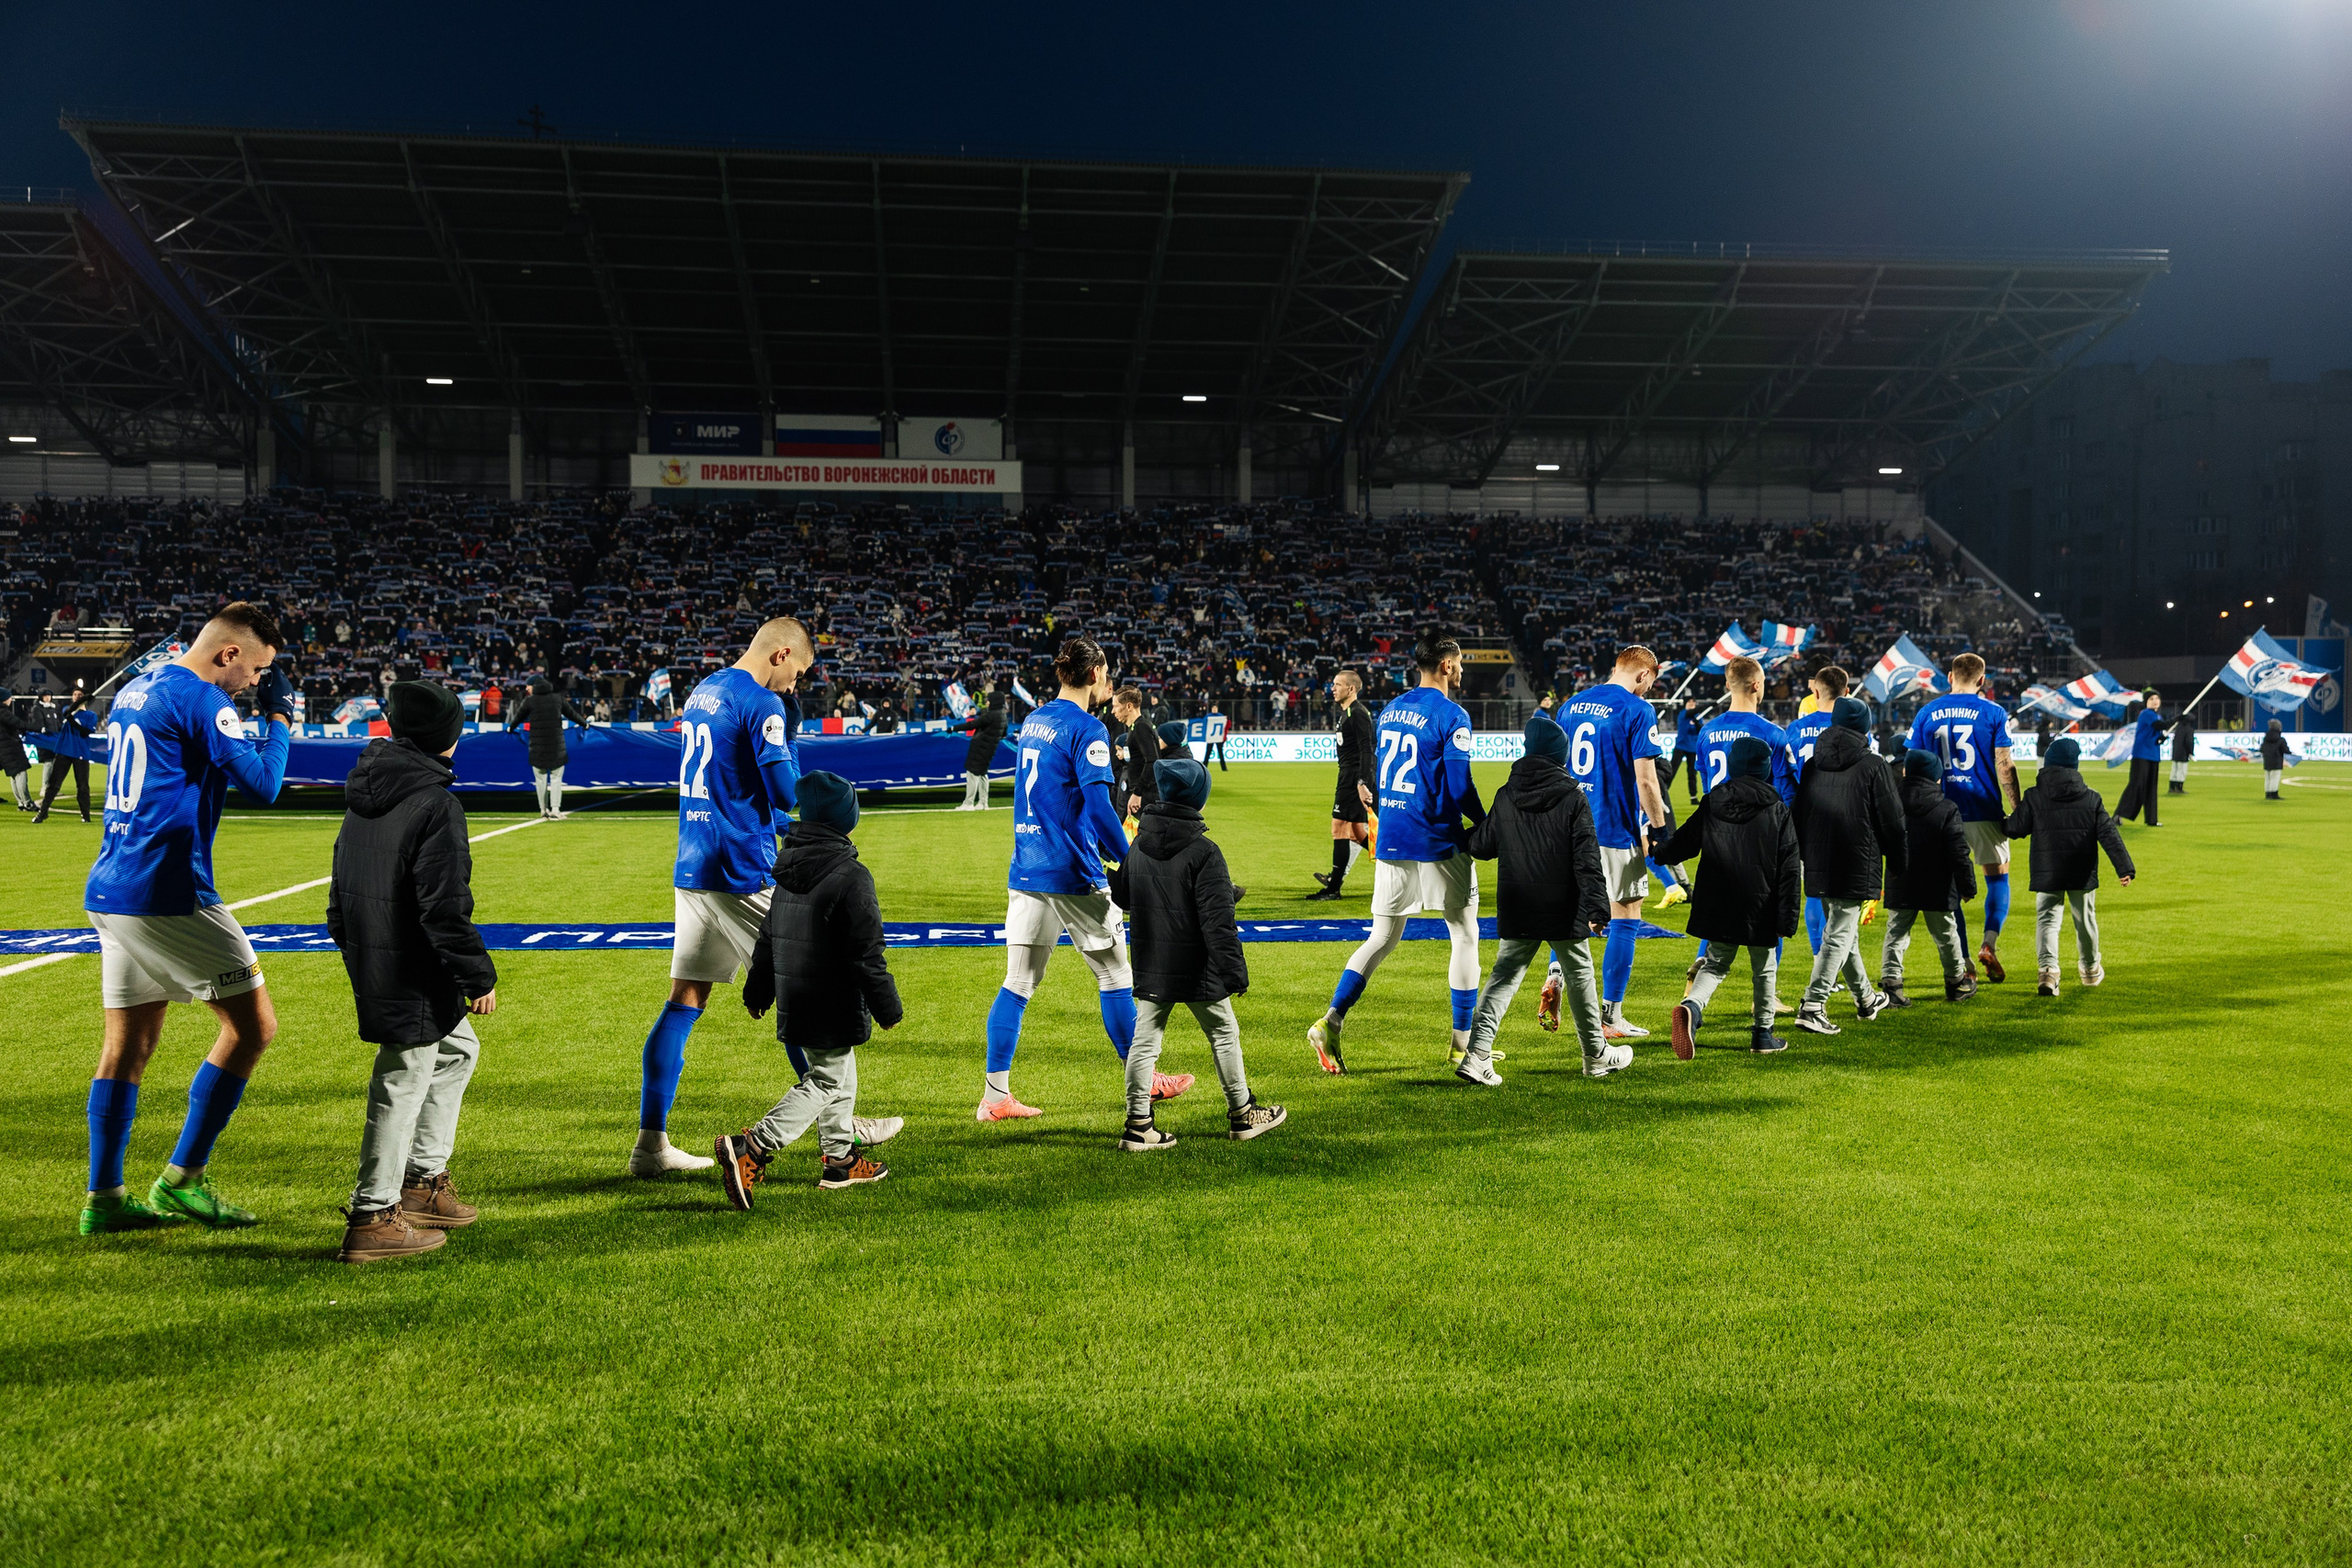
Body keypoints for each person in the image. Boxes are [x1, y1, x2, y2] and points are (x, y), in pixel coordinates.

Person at [631, 619, 888, 1177]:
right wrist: (794, 753)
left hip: (693, 862)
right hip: (741, 867)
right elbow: (787, 794)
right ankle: (837, 1129)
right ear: (781, 653)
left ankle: (650, 1146)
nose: (795, 685)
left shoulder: (706, 689)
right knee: (812, 992)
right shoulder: (762, 704)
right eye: (797, 673)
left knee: (685, 1000)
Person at [77, 603, 295, 1235]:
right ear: (228, 653)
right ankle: (183, 1179)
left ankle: (106, 1198)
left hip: (111, 886)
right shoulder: (203, 696)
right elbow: (264, 783)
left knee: (129, 1044)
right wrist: (281, 715)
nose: (255, 682)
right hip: (168, 889)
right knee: (254, 1028)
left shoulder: (139, 686)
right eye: (256, 669)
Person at [327, 682, 499, 1265]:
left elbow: (337, 895)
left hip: (377, 954)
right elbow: (444, 907)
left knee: (458, 1051)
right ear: (445, 736)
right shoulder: (435, 802)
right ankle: (374, 1215)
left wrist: (360, 952)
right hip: (415, 965)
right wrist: (476, 977)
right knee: (401, 1077)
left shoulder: (365, 790)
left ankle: (422, 1181)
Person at [981, 637, 1186, 1119]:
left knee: (1017, 981)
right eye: (1108, 673)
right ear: (1094, 674)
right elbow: (1097, 806)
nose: (1109, 683)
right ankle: (1145, 1078)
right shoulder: (1088, 728)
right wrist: (1135, 860)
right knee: (1115, 974)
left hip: (1027, 866)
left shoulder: (1034, 719)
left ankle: (994, 1097)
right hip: (1071, 871)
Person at [1306, 630, 1487, 1074]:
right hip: (1438, 840)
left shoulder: (1391, 710)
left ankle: (1331, 1020)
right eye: (1459, 661)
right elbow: (1460, 786)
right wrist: (1486, 825)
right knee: (1464, 933)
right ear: (1446, 665)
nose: (1461, 669)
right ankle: (1463, 1046)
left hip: (1391, 837)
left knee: (1382, 937)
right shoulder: (1452, 715)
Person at [715, 773, 899, 1203]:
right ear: (844, 820)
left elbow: (768, 936)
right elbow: (866, 953)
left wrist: (757, 993)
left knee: (840, 1075)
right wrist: (887, 1007)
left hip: (796, 997)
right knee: (825, 1080)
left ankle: (840, 1162)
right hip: (831, 1000)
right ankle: (753, 1148)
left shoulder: (789, 868)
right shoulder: (851, 875)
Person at [1106, 757, 1285, 1149]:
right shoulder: (1205, 851)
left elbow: (1124, 895)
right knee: (1223, 1033)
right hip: (1198, 965)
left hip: (1152, 961)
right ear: (1196, 800)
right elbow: (1217, 925)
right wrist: (1235, 973)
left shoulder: (1139, 842)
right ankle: (1242, 1114)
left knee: (1145, 1040)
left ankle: (1138, 1125)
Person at [1457, 713, 1624, 1084]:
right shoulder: (1573, 796)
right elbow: (1587, 859)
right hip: (1564, 908)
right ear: (1558, 756)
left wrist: (1451, 834)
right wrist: (1598, 908)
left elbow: (1482, 846)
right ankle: (1595, 1056)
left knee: (1503, 978)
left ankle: (1477, 1055)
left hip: (1518, 904)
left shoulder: (1506, 794)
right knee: (1580, 976)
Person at [1546, 645, 1670, 1041]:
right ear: (1642, 674)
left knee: (1571, 911)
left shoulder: (1572, 705)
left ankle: (1555, 979)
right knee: (1626, 915)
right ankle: (1611, 1014)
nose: (1650, 690)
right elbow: (1647, 780)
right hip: (1614, 829)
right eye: (1651, 682)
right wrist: (1660, 826)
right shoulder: (1638, 710)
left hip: (1571, 827)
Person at [1657, 736, 1801, 1059]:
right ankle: (1763, 1033)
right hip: (1760, 903)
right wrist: (1787, 918)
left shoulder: (1712, 801)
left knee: (1717, 962)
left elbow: (1684, 843)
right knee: (1764, 968)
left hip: (1718, 899)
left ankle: (1692, 1005)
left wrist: (1658, 851)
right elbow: (1790, 871)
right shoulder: (1778, 809)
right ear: (1765, 769)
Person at [1791, 697, 1906, 1034]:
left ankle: (1866, 998)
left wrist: (1803, 855)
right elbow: (1893, 822)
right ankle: (1813, 1005)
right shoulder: (1873, 765)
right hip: (1856, 858)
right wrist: (1898, 863)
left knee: (1842, 931)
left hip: (1817, 858)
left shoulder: (1814, 763)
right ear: (1865, 727)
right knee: (1840, 933)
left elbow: (1800, 813)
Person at [1909, 654, 2021, 985]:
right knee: (1997, 879)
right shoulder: (1994, 712)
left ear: (1949, 677)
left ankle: (1964, 962)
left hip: (1939, 812)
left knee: (1950, 889)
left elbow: (1911, 765)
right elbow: (2005, 765)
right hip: (1983, 810)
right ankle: (1989, 943)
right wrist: (2017, 809)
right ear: (1982, 681)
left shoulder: (1927, 712)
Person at [2004, 737, 2135, 995]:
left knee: (2047, 920)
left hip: (2047, 869)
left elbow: (2015, 829)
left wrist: (1998, 818)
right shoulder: (2091, 798)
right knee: (2085, 920)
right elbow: (2110, 835)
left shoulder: (2034, 795)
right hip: (2081, 870)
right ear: (2075, 766)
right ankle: (2090, 970)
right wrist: (2124, 868)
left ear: (2048, 764)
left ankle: (2048, 973)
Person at [1878, 749, 1978, 1008]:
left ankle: (1892, 985)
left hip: (1900, 879)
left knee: (1897, 933)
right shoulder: (1946, 808)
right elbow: (1959, 852)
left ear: (1905, 772)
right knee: (1946, 934)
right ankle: (1956, 983)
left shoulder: (1892, 804)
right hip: (1939, 883)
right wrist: (1967, 886)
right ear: (1936, 777)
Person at [1782, 663, 1850, 955]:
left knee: (1813, 887)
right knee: (1841, 893)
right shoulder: (1852, 729)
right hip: (1844, 816)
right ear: (1846, 692)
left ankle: (1818, 956)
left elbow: (1784, 776)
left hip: (1804, 817)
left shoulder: (1795, 730)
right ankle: (1835, 961)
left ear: (1814, 690)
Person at [1310, 668, 1377, 900]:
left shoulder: (1357, 713)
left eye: (1337, 685)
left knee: (1339, 828)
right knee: (1357, 830)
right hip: (1349, 776)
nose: (1333, 688)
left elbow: (1367, 749)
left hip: (1353, 778)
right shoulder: (1346, 712)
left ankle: (1333, 888)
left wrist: (1362, 782)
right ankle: (1394, 863)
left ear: (1351, 688)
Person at [514, 676, 587, 818]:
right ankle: (555, 809)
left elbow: (517, 718)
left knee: (540, 780)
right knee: (556, 779)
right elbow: (572, 714)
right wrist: (585, 724)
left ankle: (543, 810)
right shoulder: (558, 698)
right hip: (556, 748)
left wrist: (510, 729)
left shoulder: (530, 701)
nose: (527, 689)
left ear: (534, 686)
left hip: (537, 749)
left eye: (528, 686)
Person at [33, 688, 97, 824]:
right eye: (75, 695)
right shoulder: (67, 709)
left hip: (80, 752)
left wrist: (72, 721)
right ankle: (42, 813)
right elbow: (67, 712)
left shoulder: (91, 715)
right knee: (54, 784)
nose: (76, 697)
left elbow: (86, 732)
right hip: (64, 751)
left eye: (80, 695)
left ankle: (86, 816)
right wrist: (79, 704)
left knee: (83, 786)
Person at [2115, 690, 2165, 827]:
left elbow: (2156, 732)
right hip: (2141, 755)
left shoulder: (2157, 716)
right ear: (2146, 702)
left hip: (2153, 755)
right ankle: (2118, 814)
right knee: (2137, 785)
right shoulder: (2146, 714)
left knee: (2151, 788)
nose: (2155, 701)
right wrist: (2179, 718)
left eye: (2157, 698)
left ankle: (2152, 819)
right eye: (2151, 699)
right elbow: (2159, 726)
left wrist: (2161, 738)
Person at [1111, 685, 1159, 818]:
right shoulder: (1135, 727)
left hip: (1145, 797)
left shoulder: (1141, 727)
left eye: (1115, 706)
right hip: (1139, 794)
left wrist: (1138, 793)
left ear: (1129, 706)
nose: (1113, 711)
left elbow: (1152, 761)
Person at [957, 686, 1007, 810]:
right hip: (990, 749)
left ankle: (968, 803)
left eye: (989, 700)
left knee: (972, 774)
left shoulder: (991, 715)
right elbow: (1003, 734)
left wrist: (954, 728)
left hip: (980, 748)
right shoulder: (1003, 716)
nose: (987, 702)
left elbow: (972, 724)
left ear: (994, 701)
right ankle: (983, 803)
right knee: (983, 774)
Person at [1662, 694, 1703, 802]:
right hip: (1680, 746)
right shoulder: (1683, 714)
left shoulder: (1698, 716)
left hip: (1692, 748)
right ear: (1685, 704)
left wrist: (1697, 723)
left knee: (1692, 773)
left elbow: (1701, 730)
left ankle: (1693, 797)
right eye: (1689, 702)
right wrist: (1709, 705)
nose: (1692, 704)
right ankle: (1663, 792)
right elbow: (1691, 713)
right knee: (1672, 770)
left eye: (1693, 702)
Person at [0, 695, 31, 811]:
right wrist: (39, 728)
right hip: (11, 747)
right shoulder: (3, 712)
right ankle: (27, 803)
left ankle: (21, 803)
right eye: (9, 697)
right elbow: (19, 723)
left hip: (4, 749)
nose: (11, 700)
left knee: (14, 775)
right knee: (21, 773)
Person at [2168, 705, 2196, 794]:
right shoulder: (2189, 730)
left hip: (2176, 752)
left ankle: (2172, 787)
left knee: (2174, 770)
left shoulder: (2178, 728)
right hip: (2183, 753)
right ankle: (2179, 788)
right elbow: (2189, 742)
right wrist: (2190, 753)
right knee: (2181, 770)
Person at [2261, 717, 2287, 800]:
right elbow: (2285, 750)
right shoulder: (2280, 740)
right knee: (2275, 778)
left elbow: (2262, 749)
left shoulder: (2265, 739)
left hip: (2267, 761)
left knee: (2268, 778)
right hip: (2276, 761)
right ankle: (2274, 794)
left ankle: (2268, 794)